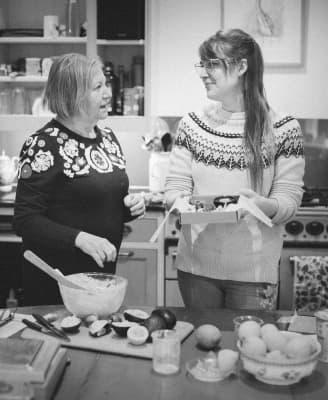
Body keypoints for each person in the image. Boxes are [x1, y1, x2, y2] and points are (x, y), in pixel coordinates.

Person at [165, 29, 305, 309]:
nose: (203, 73)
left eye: (213, 64)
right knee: (203, 345)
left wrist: (261, 205)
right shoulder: (192, 125)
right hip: (196, 268)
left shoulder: (283, 129)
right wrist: (182, 204)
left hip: (254, 274)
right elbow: (174, 189)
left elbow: (289, 202)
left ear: (242, 67)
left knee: (249, 347)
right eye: (202, 64)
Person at [13, 53, 145, 306]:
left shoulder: (108, 139)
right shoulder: (43, 144)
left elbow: (98, 205)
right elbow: (25, 220)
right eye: (98, 87)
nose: (108, 93)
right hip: (55, 283)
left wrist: (129, 208)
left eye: (105, 84)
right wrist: (79, 238)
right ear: (72, 95)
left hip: (100, 280)